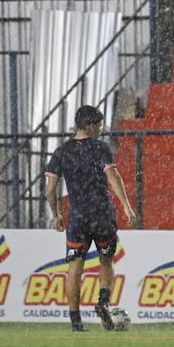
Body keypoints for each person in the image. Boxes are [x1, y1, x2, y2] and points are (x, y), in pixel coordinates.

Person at [45, 105, 136, 332]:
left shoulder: (61, 151)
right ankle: (103, 302)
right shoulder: (100, 148)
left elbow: (50, 188)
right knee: (106, 261)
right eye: (100, 125)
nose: (101, 130)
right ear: (93, 125)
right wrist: (126, 206)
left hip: (77, 217)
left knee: (75, 269)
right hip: (102, 214)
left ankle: (76, 322)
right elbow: (113, 176)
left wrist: (55, 213)